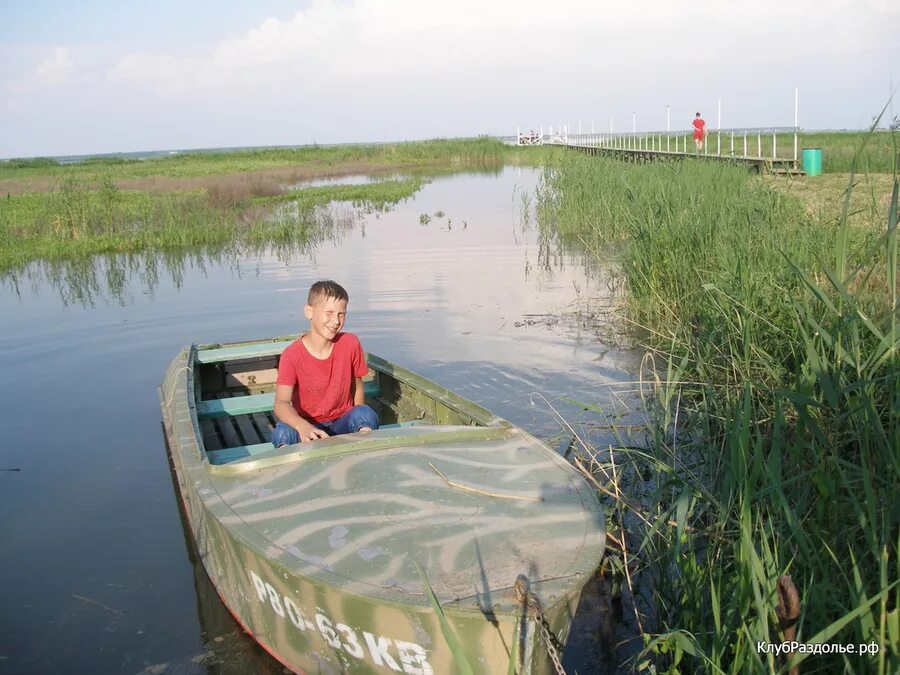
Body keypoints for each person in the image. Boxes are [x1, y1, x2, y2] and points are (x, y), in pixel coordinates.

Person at [270, 280, 379, 446]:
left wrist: (359, 417)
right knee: (282, 433)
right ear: (309, 312)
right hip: (309, 425)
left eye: (341, 314)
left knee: (365, 414)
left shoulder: (351, 343)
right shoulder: (291, 356)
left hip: (342, 422)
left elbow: (356, 385)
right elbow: (281, 403)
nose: (336, 321)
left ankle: (361, 449)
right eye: (329, 313)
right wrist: (303, 427)